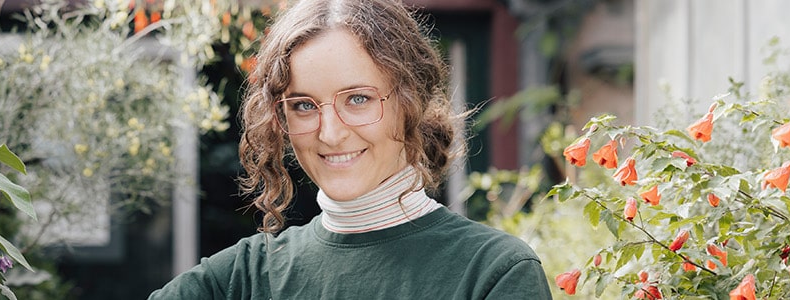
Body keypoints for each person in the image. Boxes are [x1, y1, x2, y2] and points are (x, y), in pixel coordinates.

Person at [150, 0, 552, 298]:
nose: (329, 134)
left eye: (358, 99)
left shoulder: (494, 272)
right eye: (303, 105)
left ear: (411, 102)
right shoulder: (243, 278)